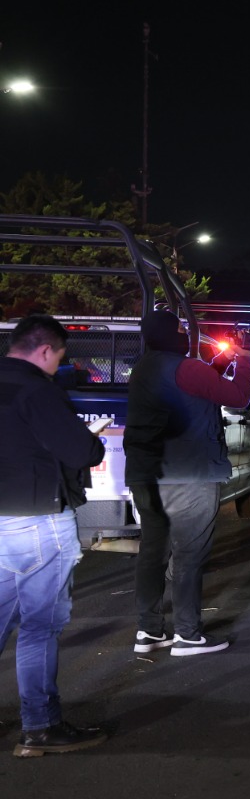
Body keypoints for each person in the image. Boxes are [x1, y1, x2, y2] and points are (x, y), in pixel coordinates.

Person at [0, 314, 110, 756]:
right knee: (40, 626)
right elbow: (80, 451)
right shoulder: (37, 391)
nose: (57, 365)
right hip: (38, 519)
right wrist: (92, 439)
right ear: (46, 349)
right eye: (59, 356)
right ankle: (41, 725)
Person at [124, 309, 250, 656]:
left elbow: (193, 384)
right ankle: (188, 634)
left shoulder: (144, 368)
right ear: (172, 334)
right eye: (181, 329)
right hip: (189, 475)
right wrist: (243, 358)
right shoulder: (187, 368)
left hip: (147, 474)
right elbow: (239, 396)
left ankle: (149, 631)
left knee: (153, 553)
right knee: (188, 555)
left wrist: (221, 360)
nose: (185, 334)